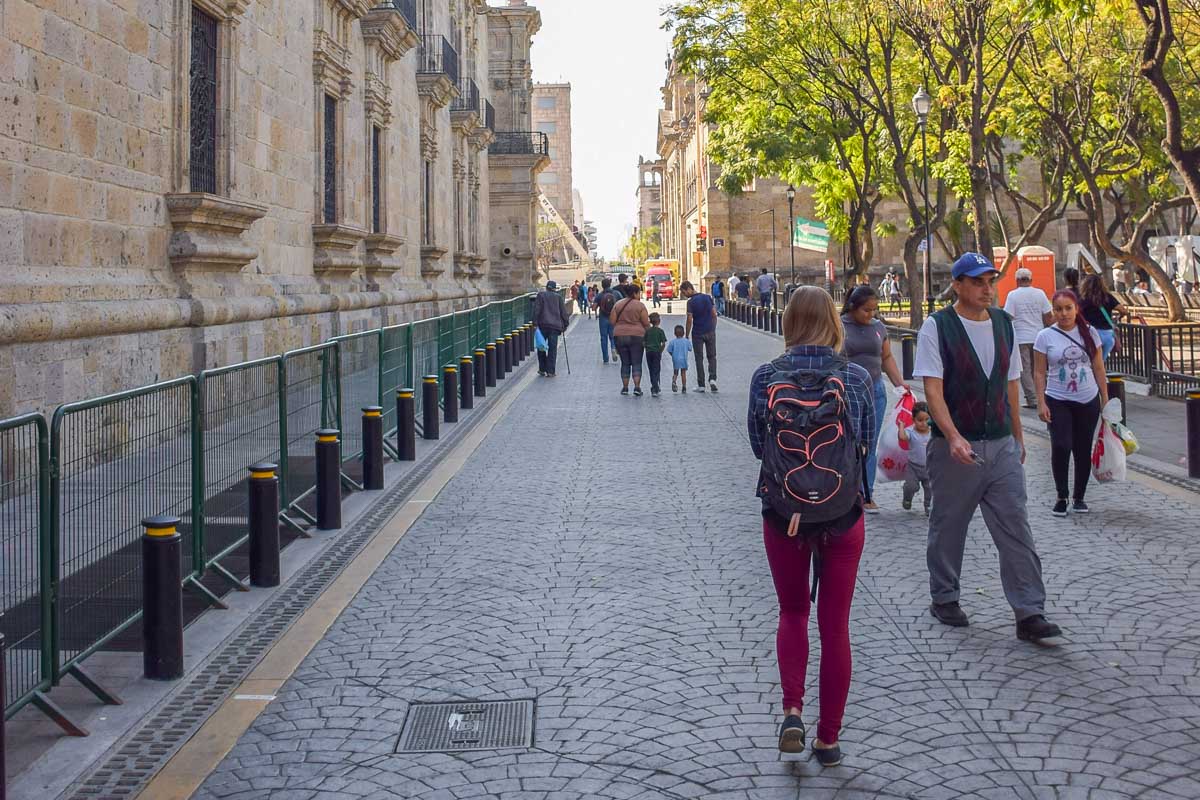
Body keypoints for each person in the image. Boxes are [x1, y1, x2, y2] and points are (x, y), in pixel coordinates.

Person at [747, 286, 876, 766]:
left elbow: (760, 445)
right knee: (835, 626)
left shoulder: (766, 377)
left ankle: (792, 710)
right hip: (843, 515)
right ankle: (828, 739)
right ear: (833, 322)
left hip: (784, 515)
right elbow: (864, 442)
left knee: (793, 612)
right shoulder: (856, 377)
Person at [913, 252, 1061, 642]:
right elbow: (933, 389)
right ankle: (944, 596)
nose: (986, 288)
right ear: (957, 285)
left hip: (1000, 445)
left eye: (990, 281)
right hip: (953, 448)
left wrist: (1017, 434)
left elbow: (1011, 383)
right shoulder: (937, 326)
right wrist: (953, 435)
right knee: (948, 524)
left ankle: (1030, 611)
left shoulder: (1003, 325)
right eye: (977, 281)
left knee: (1016, 526)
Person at [1034, 289, 1108, 516]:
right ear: (1052, 312)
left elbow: (1098, 367)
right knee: (1061, 445)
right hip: (1057, 399)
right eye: (1058, 309)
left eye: (1068, 308)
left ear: (1076, 309)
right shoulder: (1045, 336)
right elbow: (1038, 372)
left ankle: (1079, 497)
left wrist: (1105, 400)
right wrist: (1040, 402)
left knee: (1082, 448)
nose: (1064, 313)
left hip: (1088, 399)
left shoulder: (1090, 333)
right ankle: (1061, 495)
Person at [840, 285, 909, 513]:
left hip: (875, 391)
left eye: (874, 310)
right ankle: (844, 492)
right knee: (849, 442)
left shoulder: (878, 327)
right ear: (853, 307)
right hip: (848, 392)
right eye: (866, 310)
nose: (871, 315)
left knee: (868, 443)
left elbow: (886, 356)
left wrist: (899, 383)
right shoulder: (840, 326)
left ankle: (865, 494)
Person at [1002, 267, 1054, 409]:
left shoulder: (1013, 295)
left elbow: (1008, 317)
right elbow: (1048, 315)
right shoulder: (1040, 293)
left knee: (1025, 368)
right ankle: (1042, 395)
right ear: (1031, 280)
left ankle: (1032, 398)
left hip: (1021, 337)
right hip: (1039, 336)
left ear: (1017, 281)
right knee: (1039, 368)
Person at [611, 284, 650, 396]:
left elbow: (612, 321)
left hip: (620, 336)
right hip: (637, 336)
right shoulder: (640, 306)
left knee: (625, 363)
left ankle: (625, 387)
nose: (639, 295)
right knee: (637, 362)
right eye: (638, 293)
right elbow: (646, 323)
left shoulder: (618, 305)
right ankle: (637, 387)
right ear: (635, 293)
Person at [1078, 273, 1125, 360]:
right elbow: (1123, 310)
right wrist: (1118, 317)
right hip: (1108, 335)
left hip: (1091, 334)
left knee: (1093, 363)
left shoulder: (1083, 299)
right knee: (1101, 363)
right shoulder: (1107, 297)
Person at [682, 281, 719, 392]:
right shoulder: (707, 298)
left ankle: (701, 385)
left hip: (697, 333)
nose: (685, 295)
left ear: (689, 288)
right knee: (712, 356)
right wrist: (713, 328)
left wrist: (687, 334)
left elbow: (689, 319)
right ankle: (712, 379)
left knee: (699, 358)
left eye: (684, 292)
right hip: (710, 331)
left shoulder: (691, 302)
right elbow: (714, 314)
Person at [898, 402, 933, 515]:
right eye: (920, 420)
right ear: (913, 419)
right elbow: (902, 437)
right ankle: (907, 498)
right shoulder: (911, 432)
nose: (923, 423)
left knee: (930, 489)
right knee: (911, 486)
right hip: (913, 467)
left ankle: (928, 506)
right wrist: (902, 427)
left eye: (927, 420)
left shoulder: (933, 433)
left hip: (930, 468)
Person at [533, 280, 571, 377]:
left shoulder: (541, 295)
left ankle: (542, 368)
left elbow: (537, 310)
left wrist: (535, 323)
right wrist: (565, 324)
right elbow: (563, 312)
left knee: (541, 346)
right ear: (555, 289)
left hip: (542, 325)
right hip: (555, 326)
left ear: (546, 287)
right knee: (552, 349)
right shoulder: (558, 297)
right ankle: (551, 371)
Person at [596, 278, 620, 364]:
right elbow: (622, 303)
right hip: (614, 318)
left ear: (602, 286)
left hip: (603, 318)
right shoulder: (616, 293)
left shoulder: (599, 295)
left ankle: (605, 358)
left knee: (603, 338)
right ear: (610, 284)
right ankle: (613, 348)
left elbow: (594, 307)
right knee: (613, 336)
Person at [644, 312, 667, 397]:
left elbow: (644, 342)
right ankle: (655, 387)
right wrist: (660, 351)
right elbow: (663, 343)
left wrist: (647, 348)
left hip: (649, 352)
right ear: (659, 321)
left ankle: (654, 386)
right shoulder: (660, 331)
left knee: (651, 369)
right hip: (657, 352)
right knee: (656, 369)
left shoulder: (648, 331)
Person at [667, 325, 692, 392]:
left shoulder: (672, 342)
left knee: (675, 372)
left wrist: (673, 355)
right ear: (683, 333)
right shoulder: (686, 341)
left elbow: (669, 350)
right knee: (683, 373)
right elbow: (690, 349)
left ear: (674, 333)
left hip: (675, 359)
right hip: (683, 359)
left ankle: (674, 381)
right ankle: (684, 387)